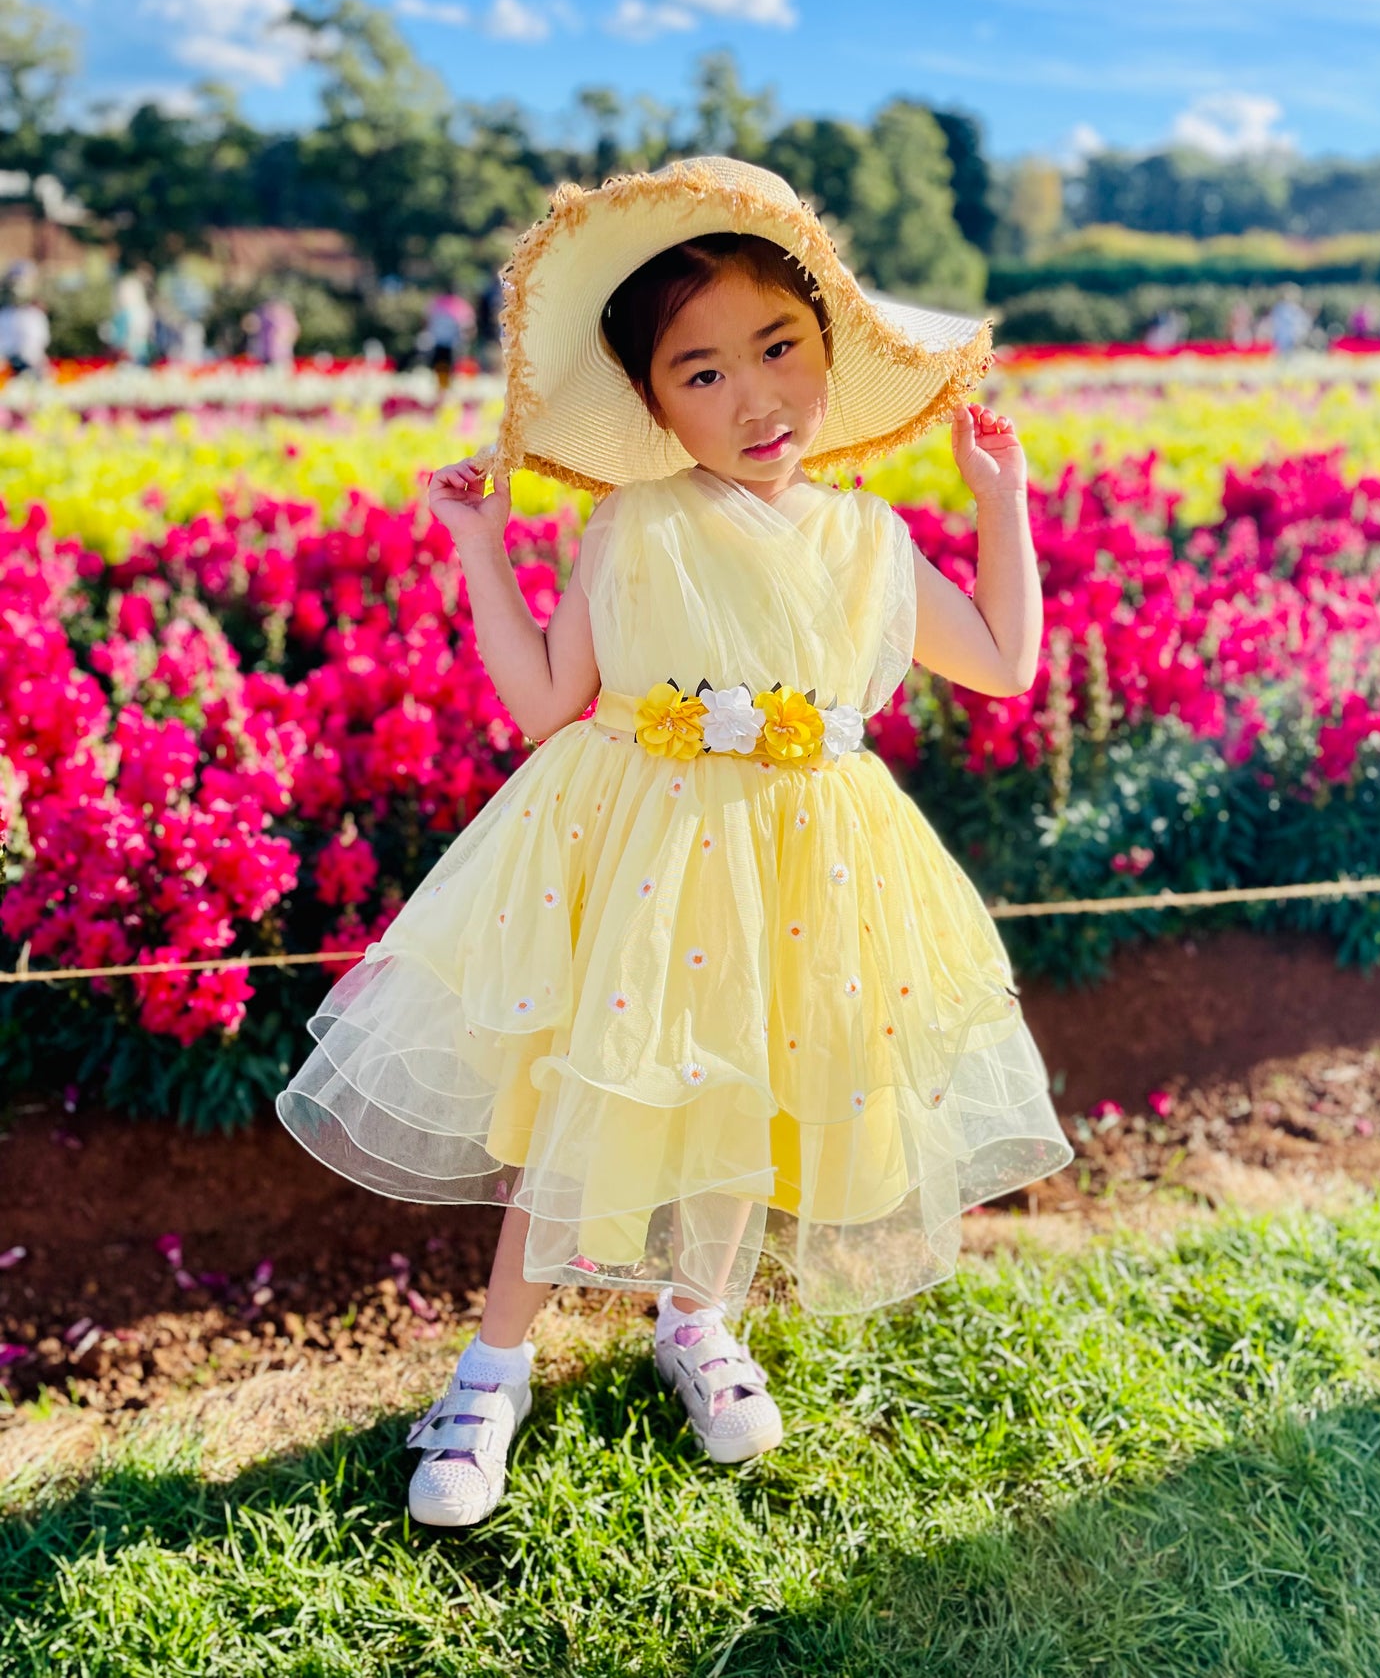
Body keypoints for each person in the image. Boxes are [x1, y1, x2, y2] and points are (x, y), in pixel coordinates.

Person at [275, 156, 1074, 1530]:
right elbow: (540, 703)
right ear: (648, 404)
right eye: (698, 372)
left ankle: (695, 1321)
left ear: (829, 349)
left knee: (748, 1102)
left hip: (809, 861)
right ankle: (492, 1367)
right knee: (591, 1104)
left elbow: (1004, 660)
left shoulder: (871, 538)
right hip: (642, 850)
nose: (751, 395)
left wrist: (999, 503)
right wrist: (480, 549)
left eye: (777, 347)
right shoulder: (632, 522)